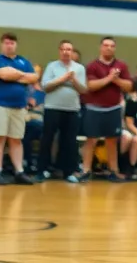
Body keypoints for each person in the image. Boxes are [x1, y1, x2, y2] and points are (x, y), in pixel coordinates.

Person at [0, 32, 39, 185]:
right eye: (7, 43)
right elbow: (3, 75)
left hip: (19, 106)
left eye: (12, 43)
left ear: (16, 45)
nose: (9, 45)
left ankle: (19, 171)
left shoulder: (23, 60)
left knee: (16, 139)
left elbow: (34, 78)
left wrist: (15, 73)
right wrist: (23, 76)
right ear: (2, 44)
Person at [80, 36, 133, 181]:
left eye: (111, 46)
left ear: (114, 48)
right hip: (94, 109)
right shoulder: (92, 66)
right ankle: (86, 170)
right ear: (101, 47)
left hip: (113, 109)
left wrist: (116, 79)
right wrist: (110, 79)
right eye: (106, 45)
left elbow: (129, 86)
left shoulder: (121, 66)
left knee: (112, 141)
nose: (108, 48)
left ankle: (113, 171)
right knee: (91, 140)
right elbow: (91, 86)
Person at [38, 40, 86, 182]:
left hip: (72, 109)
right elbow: (45, 86)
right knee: (47, 139)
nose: (66, 52)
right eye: (63, 49)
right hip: (52, 108)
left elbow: (83, 89)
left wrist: (74, 80)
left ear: (72, 52)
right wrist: (62, 79)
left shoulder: (79, 68)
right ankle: (42, 170)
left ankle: (68, 172)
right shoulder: (51, 66)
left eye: (69, 49)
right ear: (60, 51)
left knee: (69, 141)